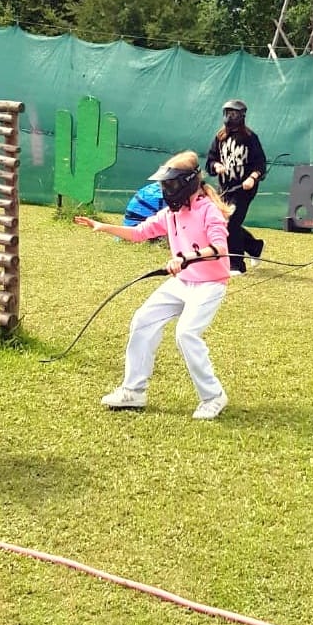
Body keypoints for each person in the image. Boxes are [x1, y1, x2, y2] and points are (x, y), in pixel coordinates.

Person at [75, 150, 232, 420]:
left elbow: (219, 247)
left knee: (186, 334)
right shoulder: (170, 214)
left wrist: (185, 258)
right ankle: (133, 391)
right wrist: (103, 226)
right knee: (143, 320)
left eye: (169, 184)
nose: (164, 190)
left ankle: (213, 396)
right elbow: (139, 233)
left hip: (209, 284)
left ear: (187, 184)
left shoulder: (209, 211)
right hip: (182, 282)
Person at [205, 99, 267, 276]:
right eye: (227, 113)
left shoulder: (250, 138)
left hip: (244, 189)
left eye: (234, 114)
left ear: (242, 116)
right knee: (227, 223)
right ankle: (255, 247)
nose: (230, 117)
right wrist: (216, 166)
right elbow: (210, 160)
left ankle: (237, 265)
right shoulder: (220, 137)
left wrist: (253, 178)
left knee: (231, 224)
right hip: (224, 189)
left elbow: (260, 163)